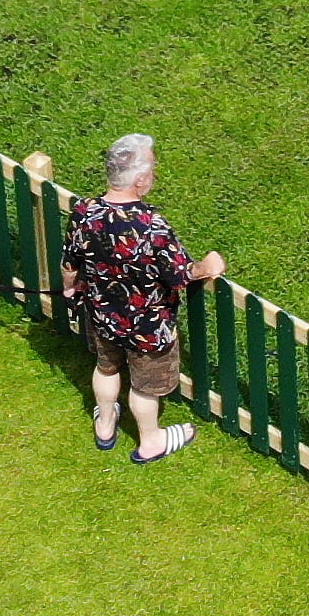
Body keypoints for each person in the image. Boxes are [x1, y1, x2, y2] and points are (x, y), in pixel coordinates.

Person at [63, 132, 224, 464]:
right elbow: (180, 273)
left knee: (106, 369)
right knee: (144, 388)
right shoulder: (150, 225)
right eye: (152, 166)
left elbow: (70, 262)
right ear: (139, 180)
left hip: (102, 315)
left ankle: (105, 424)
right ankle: (151, 441)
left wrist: (70, 286)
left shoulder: (84, 211)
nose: (154, 173)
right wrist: (208, 265)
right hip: (148, 325)